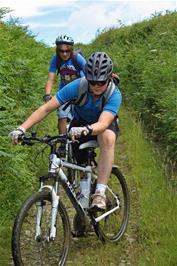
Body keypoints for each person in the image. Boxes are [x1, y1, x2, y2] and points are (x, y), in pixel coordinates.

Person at [9, 52, 122, 211]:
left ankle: (100, 193)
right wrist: (22, 128)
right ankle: (83, 203)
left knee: (107, 137)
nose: (96, 86)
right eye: (93, 82)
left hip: (104, 124)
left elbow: (103, 123)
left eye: (101, 82)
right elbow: (46, 108)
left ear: (109, 78)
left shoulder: (114, 93)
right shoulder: (78, 86)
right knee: (78, 157)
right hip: (80, 122)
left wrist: (87, 129)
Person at [44, 34, 86, 150]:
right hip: (64, 92)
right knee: (62, 117)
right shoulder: (56, 59)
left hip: (80, 92)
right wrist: (47, 95)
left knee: (81, 118)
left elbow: (89, 72)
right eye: (61, 51)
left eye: (67, 51)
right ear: (58, 50)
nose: (64, 54)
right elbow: (50, 78)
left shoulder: (77, 58)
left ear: (71, 50)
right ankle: (63, 144)